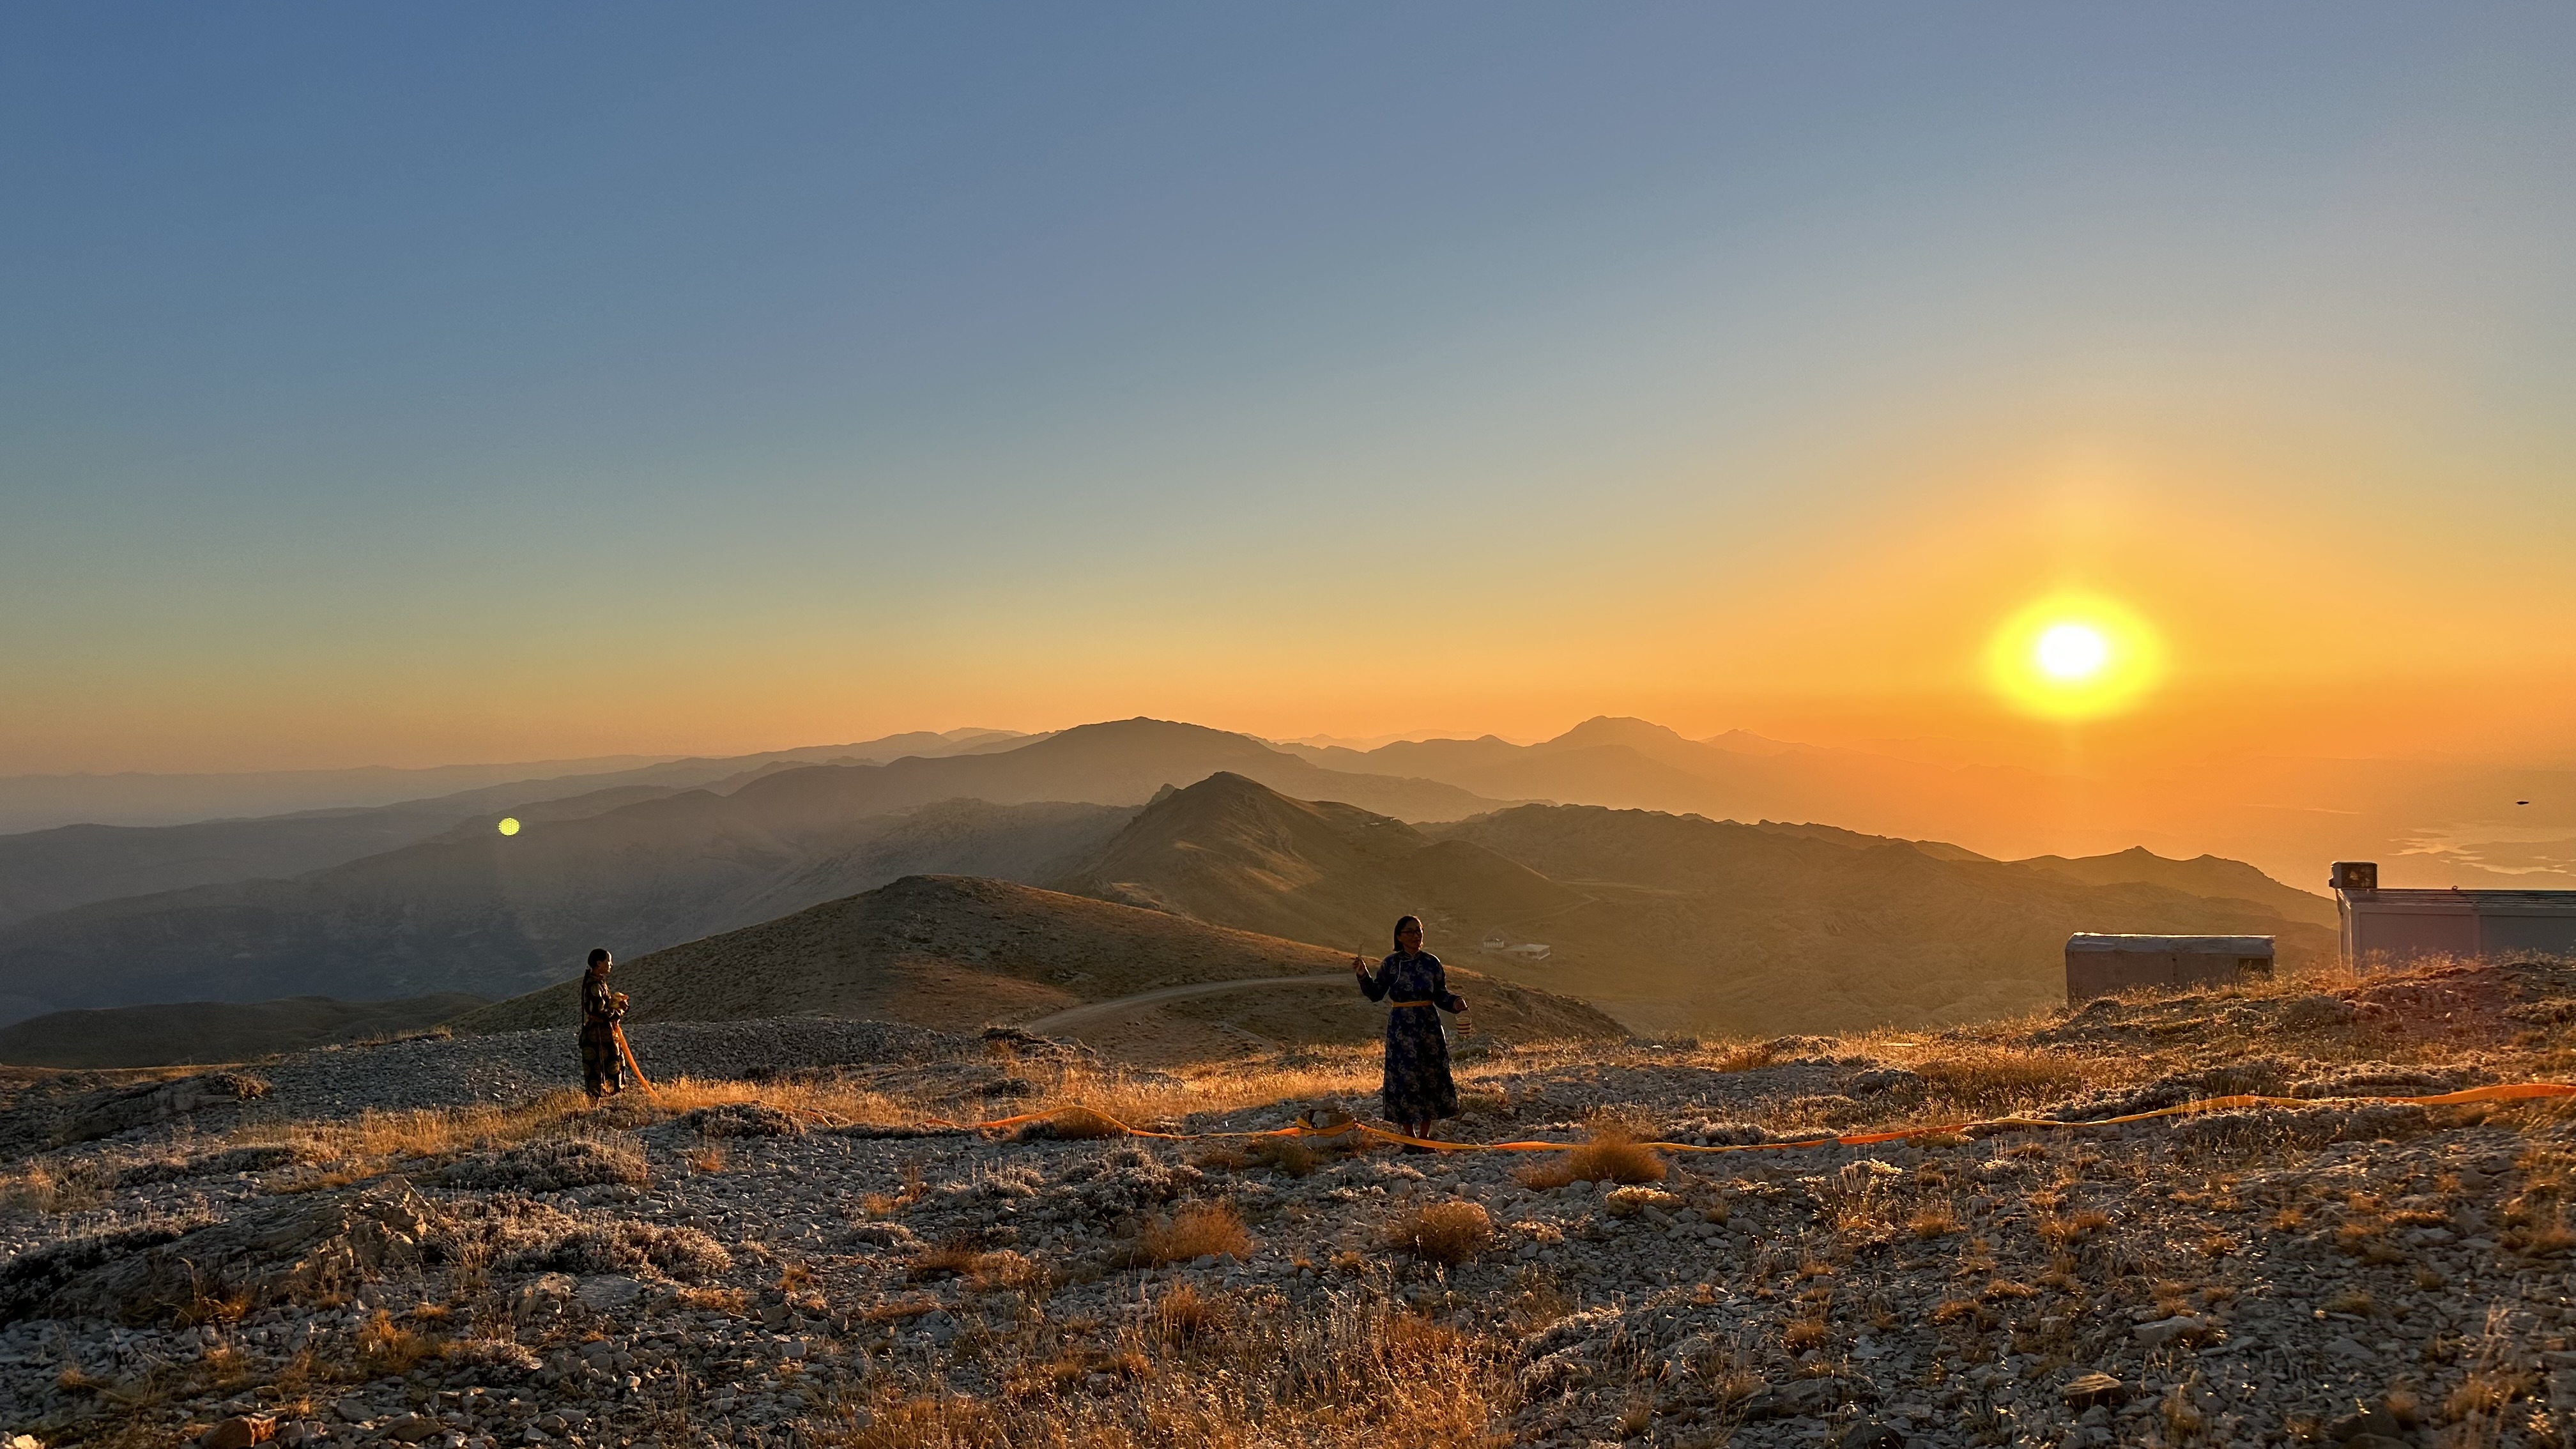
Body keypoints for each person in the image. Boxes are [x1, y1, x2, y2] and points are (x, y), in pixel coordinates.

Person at [1353, 915, 1470, 1149]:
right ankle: (1409, 1138)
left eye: (1419, 931)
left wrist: (1456, 1002)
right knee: (1404, 1079)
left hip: (1429, 1027)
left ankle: (1425, 1138)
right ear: (1399, 936)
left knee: (1430, 1077)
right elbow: (1376, 994)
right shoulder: (1391, 964)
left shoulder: (1432, 963)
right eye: (1410, 932)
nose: (1416, 935)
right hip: (1401, 1030)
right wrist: (1363, 975)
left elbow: (1440, 995)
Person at [579, 947, 629, 1100]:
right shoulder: (594, 985)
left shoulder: (596, 981)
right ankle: (609, 1100)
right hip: (600, 1035)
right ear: (599, 963)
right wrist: (619, 1011)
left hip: (602, 1033)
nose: (611, 964)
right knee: (608, 1066)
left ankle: (606, 1099)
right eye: (608, 961)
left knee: (605, 1066)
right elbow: (599, 1012)